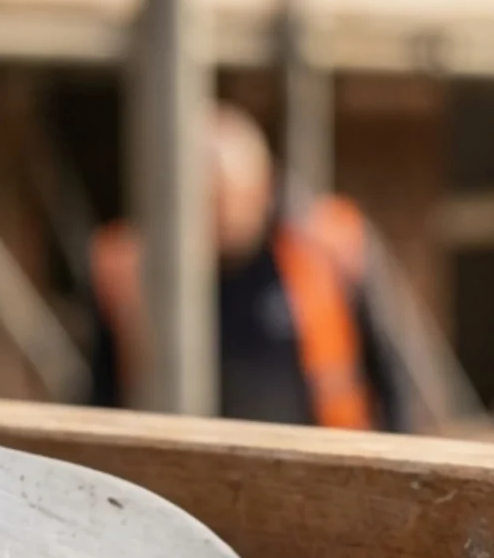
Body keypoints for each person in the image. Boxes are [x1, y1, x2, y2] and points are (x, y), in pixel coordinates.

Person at [86, 105, 414, 432]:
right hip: (183, 462)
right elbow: (102, 388)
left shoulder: (325, 252)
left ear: (261, 189)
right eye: (201, 202)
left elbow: (392, 376)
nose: (215, 217)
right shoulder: (132, 270)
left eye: (224, 199)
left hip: (319, 456)